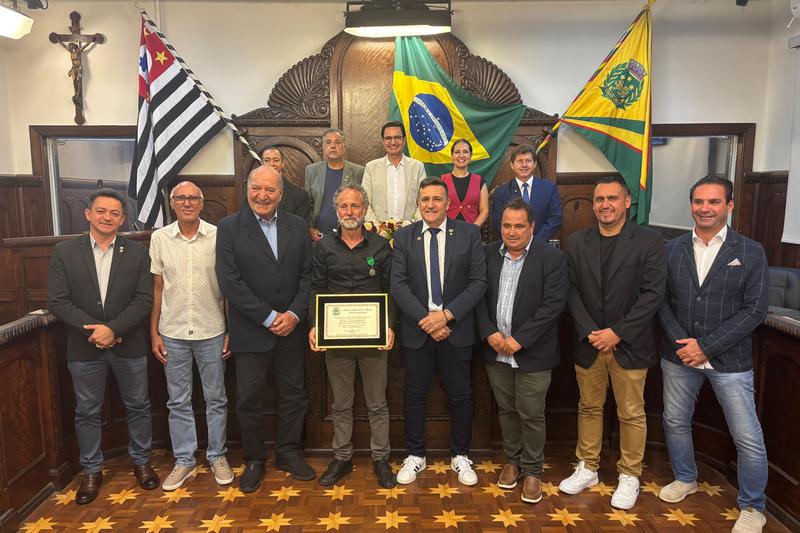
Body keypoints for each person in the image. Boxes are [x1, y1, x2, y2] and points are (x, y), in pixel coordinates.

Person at [658, 176, 770, 533]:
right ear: (691, 205)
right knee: (675, 422)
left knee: (747, 436)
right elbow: (660, 301)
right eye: (699, 202)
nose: (705, 208)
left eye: (713, 202)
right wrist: (683, 343)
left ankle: (753, 506)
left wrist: (705, 347)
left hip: (729, 361)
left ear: (729, 205)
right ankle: (685, 478)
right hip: (678, 357)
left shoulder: (750, 251)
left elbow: (755, 310)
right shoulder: (671, 248)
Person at [559, 175, 666, 510]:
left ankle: (630, 474)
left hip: (629, 344)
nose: (605, 205)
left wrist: (617, 332)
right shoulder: (577, 241)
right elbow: (570, 291)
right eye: (599, 199)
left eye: (612, 198)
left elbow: (652, 295)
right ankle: (587, 466)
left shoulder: (650, 241)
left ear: (627, 202)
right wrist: (592, 331)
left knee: (631, 412)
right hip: (588, 343)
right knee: (589, 407)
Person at [47, 188, 158, 504]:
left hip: (128, 345)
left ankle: (141, 462)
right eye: (101, 211)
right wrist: (97, 332)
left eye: (114, 213)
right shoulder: (65, 252)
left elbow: (144, 299)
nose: (107, 217)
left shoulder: (137, 253)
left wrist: (114, 329)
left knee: (139, 405)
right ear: (88, 214)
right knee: (87, 410)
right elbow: (58, 301)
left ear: (123, 219)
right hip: (84, 348)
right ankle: (92, 470)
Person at [216, 164, 314, 493]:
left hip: (291, 329)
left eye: (270, 190)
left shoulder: (298, 226)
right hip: (251, 330)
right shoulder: (229, 227)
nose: (263, 195)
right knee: (248, 399)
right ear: (247, 190)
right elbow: (230, 282)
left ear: (280, 194)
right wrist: (269, 317)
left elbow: (307, 276)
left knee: (293, 394)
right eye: (257, 188)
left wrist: (294, 314)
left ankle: (288, 453)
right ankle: (255, 459)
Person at [390, 177, 487, 487]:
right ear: (418, 203)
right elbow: (398, 285)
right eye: (424, 199)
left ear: (447, 203)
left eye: (436, 199)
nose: (430, 204)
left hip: (456, 329)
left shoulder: (469, 234)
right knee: (414, 394)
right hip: (418, 330)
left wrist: (445, 316)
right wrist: (427, 320)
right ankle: (415, 454)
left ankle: (461, 454)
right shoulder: (404, 236)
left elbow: (478, 283)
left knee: (460, 394)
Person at [476, 198, 568, 504]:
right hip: (496, 350)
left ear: (532, 227)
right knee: (506, 409)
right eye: (506, 225)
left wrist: (520, 339)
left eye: (519, 226)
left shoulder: (551, 258)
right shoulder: (487, 254)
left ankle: (532, 470)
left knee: (531, 412)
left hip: (533, 352)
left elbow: (553, 305)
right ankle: (512, 461)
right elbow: (477, 297)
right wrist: (489, 332)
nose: (512, 232)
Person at [308, 184, 396, 488]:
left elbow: (390, 290)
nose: (349, 212)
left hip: (374, 337)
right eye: (344, 206)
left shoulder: (381, 246)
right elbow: (316, 288)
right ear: (336, 210)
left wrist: (390, 325)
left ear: (365, 209)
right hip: (336, 338)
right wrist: (315, 325)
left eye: (355, 206)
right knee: (341, 403)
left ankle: (381, 458)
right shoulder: (324, 248)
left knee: (377, 402)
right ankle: (342, 457)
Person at [149, 181, 233, 491]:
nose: (187, 203)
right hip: (172, 332)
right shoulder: (160, 238)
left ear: (201, 203)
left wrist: (231, 331)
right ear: (172, 203)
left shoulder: (218, 236)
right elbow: (158, 289)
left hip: (213, 330)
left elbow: (227, 289)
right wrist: (154, 332)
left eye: (193, 198)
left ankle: (217, 455)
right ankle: (184, 460)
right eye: (181, 198)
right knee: (178, 401)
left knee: (216, 399)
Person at [490, 145, 562, 241]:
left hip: (541, 244)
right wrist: (517, 241)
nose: (524, 165)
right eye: (520, 161)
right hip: (513, 244)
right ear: (512, 165)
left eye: (528, 161)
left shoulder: (549, 188)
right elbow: (498, 222)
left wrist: (535, 242)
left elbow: (555, 218)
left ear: (534, 164)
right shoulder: (501, 192)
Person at [362, 121, 427, 228]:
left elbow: (424, 200)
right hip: (379, 231)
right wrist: (378, 227)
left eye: (397, 137)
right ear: (383, 141)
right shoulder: (371, 168)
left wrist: (411, 226)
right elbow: (365, 202)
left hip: (410, 230)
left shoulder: (417, 167)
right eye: (388, 138)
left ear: (404, 140)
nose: (393, 142)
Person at [304, 128, 365, 241]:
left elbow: (363, 203)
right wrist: (310, 227)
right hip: (319, 235)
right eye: (328, 142)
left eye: (337, 142)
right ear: (323, 147)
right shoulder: (311, 170)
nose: (332, 146)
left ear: (344, 147)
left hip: (350, 234)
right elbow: (307, 204)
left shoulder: (359, 171)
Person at [441, 138, 489, 226]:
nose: (461, 155)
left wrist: (473, 229)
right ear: (452, 156)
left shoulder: (480, 181)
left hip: (472, 230)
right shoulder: (442, 181)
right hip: (446, 230)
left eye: (465, 152)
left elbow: (484, 210)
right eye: (457, 152)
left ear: (470, 156)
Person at [261, 146, 313, 224]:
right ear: (262, 164)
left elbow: (301, 227)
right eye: (267, 160)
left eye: (276, 160)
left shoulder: (299, 196)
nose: (271, 164)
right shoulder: (252, 192)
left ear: (283, 163)